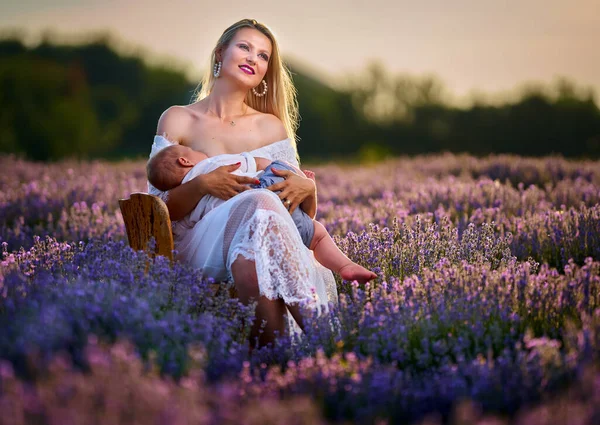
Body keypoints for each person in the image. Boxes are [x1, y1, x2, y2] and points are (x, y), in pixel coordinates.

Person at [148, 18, 347, 349]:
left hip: (263, 237)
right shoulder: (179, 118)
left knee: (251, 259)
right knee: (257, 203)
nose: (253, 58)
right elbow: (159, 211)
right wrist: (203, 184)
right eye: (244, 47)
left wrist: (309, 190)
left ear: (266, 71)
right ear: (219, 54)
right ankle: (325, 339)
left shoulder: (270, 127)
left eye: (263, 56)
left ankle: (270, 366)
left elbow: (299, 216)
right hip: (197, 243)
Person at [146, 144, 377, 286]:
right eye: (193, 151)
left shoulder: (190, 205)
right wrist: (298, 178)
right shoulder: (213, 164)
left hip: (241, 228)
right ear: (185, 160)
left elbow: (180, 218)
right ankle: (344, 265)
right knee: (316, 235)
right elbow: (257, 164)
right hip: (271, 194)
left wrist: (308, 189)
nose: (202, 153)